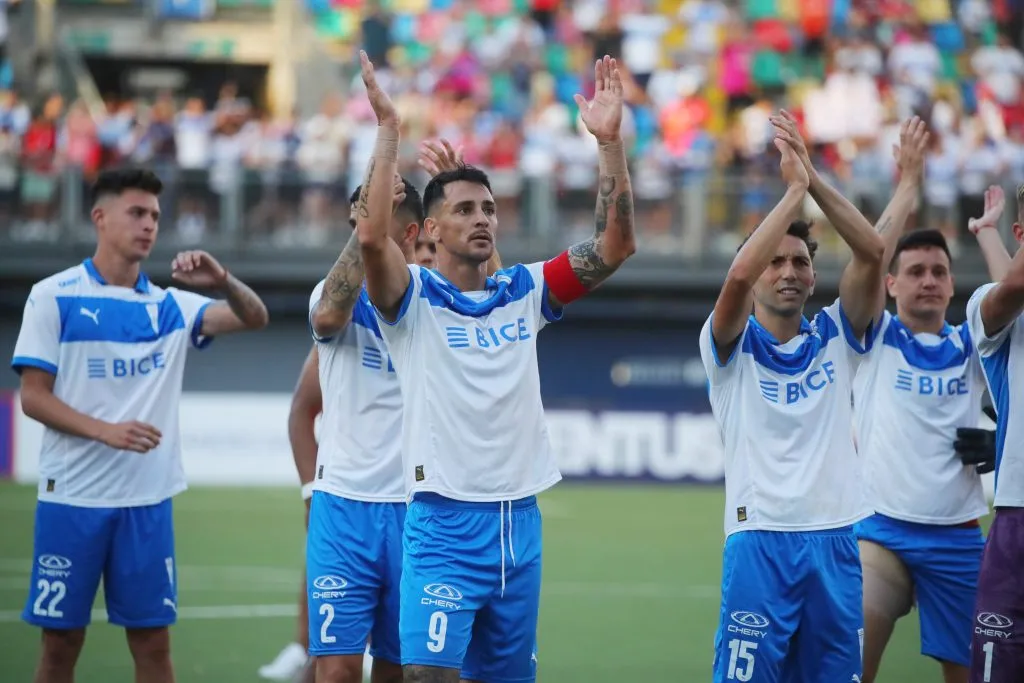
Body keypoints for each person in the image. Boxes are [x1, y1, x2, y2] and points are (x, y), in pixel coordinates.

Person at [355, 50, 636, 683]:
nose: (481, 217)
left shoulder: (524, 291)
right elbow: (373, 239)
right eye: (464, 210)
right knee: (427, 677)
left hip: (519, 524)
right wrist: (389, 132)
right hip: (442, 523)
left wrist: (610, 143)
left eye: (487, 208)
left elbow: (617, 246)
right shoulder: (413, 301)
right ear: (430, 228)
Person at [11, 167, 269, 683]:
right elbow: (33, 398)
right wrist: (105, 430)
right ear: (100, 218)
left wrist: (223, 282)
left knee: (153, 645)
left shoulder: (170, 305)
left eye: (154, 214)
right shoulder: (53, 295)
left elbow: (254, 317)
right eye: (136, 212)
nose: (149, 224)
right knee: (60, 645)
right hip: (73, 500)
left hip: (146, 504)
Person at [699, 111, 886, 682]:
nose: (788, 272)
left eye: (800, 262)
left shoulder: (836, 335)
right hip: (760, 542)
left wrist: (811, 180)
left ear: (812, 277)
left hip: (835, 543)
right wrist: (792, 194)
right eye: (774, 261)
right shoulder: (728, 346)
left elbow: (874, 252)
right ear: (759, 274)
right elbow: (734, 279)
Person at [850, 116, 989, 683]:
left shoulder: (976, 341)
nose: (928, 280)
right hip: (881, 529)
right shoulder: (874, 336)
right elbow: (866, 257)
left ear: (954, 285)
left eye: (938, 271)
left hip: (958, 534)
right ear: (891, 283)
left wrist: (1004, 442)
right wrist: (907, 186)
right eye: (914, 272)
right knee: (851, 669)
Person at [965, 183, 1024, 683]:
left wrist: (987, 233)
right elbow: (1013, 286)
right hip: (1017, 518)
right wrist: (989, 235)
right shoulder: (991, 307)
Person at [257, 345, 323, 682]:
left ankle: (371, 646)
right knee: (317, 561)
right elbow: (302, 409)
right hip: (347, 488)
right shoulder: (342, 325)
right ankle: (305, 647)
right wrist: (311, 490)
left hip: (415, 486)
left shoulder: (429, 314)